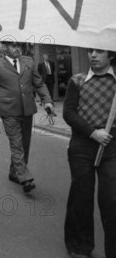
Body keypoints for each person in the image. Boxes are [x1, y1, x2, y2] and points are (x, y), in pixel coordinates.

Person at [0, 40, 54, 193]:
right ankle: (24, 177)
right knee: (17, 143)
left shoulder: (28, 62)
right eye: (13, 46)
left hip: (27, 109)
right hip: (8, 111)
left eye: (19, 46)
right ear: (4, 47)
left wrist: (47, 101)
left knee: (25, 144)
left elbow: (39, 83)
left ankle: (14, 172)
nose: (17, 49)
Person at [63, 48, 116, 258]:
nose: (93, 55)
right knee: (81, 195)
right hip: (82, 145)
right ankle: (79, 245)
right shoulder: (77, 80)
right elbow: (68, 112)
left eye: (99, 51)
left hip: (112, 146)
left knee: (112, 198)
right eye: (91, 51)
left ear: (110, 55)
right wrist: (93, 132)